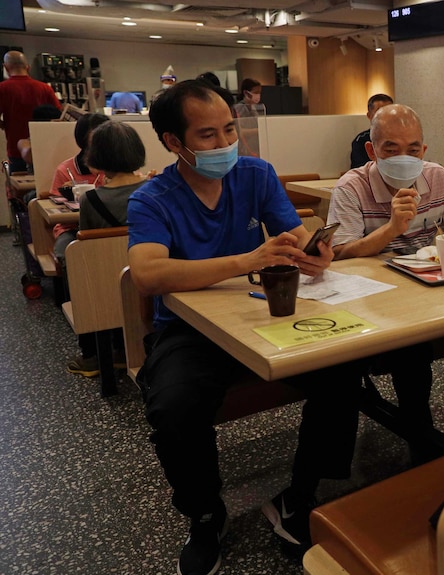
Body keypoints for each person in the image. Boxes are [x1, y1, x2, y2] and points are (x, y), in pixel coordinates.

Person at [127, 79, 362, 574]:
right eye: (208, 135)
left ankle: (299, 496)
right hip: (191, 329)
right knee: (173, 405)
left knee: (342, 367)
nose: (226, 144)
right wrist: (246, 259)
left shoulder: (255, 175)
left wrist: (312, 253)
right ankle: (206, 515)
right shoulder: (153, 197)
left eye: (230, 130)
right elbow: (147, 274)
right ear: (174, 142)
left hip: (258, 312)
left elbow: (294, 234)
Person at [327, 104, 444, 457]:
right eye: (391, 149)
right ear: (372, 151)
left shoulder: (437, 178)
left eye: (413, 149)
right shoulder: (351, 187)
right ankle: (421, 438)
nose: (404, 156)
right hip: (380, 300)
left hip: (435, 289)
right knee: (412, 350)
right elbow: (339, 254)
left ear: (424, 151)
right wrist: (391, 229)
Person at [67, 121, 148, 378]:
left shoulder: (90, 200)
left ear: (96, 156)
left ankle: (96, 357)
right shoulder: (153, 190)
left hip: (106, 290)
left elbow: (89, 247)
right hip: (149, 281)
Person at [49, 113, 111, 265]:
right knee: (69, 254)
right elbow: (55, 209)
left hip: (110, 225)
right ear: (83, 141)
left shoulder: (117, 168)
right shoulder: (65, 170)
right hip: (73, 228)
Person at [0, 51, 62, 173]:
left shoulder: (2, 88)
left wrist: (5, 125)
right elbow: (59, 116)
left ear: (6, 68)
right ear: (28, 67)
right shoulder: (45, 88)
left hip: (15, 150)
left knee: (19, 187)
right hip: (44, 148)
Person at [349, 93, 393, 169]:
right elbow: (359, 169)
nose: (386, 116)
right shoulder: (360, 140)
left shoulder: (401, 138)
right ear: (369, 115)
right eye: (380, 112)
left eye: (389, 111)